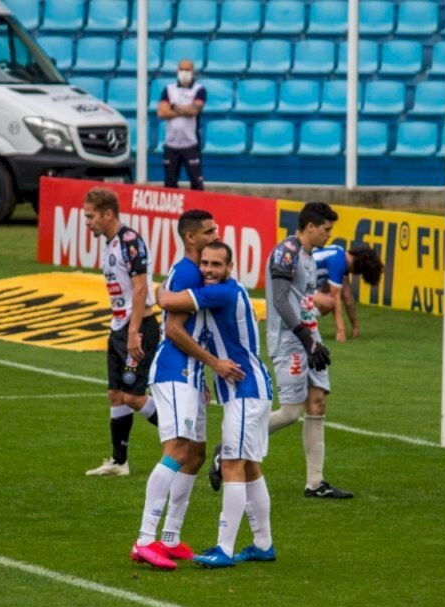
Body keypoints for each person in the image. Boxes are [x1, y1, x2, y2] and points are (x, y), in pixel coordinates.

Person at [213, 201, 351, 499]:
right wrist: (305, 337)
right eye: (326, 229)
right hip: (291, 341)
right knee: (290, 413)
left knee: (317, 404)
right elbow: (280, 300)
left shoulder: (309, 255)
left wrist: (314, 337)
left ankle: (315, 484)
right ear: (310, 226)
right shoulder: (285, 253)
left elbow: (303, 300)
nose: (329, 235)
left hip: (309, 338)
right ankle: (227, 448)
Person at [130, 211, 244, 570]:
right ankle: (145, 539)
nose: (216, 232)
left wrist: (203, 375)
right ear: (191, 237)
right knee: (178, 448)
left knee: (194, 454)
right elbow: (176, 330)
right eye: (209, 230)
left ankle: (170, 538)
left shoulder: (199, 271)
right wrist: (213, 363)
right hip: (175, 369)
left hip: (191, 373)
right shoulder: (190, 270)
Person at [158, 241, 276, 568]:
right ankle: (263, 543)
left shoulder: (222, 293)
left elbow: (167, 301)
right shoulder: (228, 291)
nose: (208, 270)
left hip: (245, 390)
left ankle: (224, 549)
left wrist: (157, 285)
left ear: (230, 267)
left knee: (231, 466)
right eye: (205, 264)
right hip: (248, 390)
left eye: (216, 265)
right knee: (250, 466)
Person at [82, 187, 160, 477]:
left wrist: (133, 332)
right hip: (119, 327)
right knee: (116, 394)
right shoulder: (111, 242)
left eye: (91, 217)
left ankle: (183, 438)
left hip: (138, 328)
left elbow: (141, 288)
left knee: (133, 396)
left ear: (108, 214)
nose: (87, 222)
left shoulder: (130, 241)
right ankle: (119, 462)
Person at [311, 244, 385, 342]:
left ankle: (303, 320)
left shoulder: (341, 253)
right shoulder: (339, 262)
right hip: (295, 288)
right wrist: (341, 331)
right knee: (330, 301)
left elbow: (347, 296)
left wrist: (355, 326)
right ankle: (301, 322)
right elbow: (336, 298)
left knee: (329, 293)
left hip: (300, 287)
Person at [158, 59, 206, 190]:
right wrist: (183, 110)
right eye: (182, 69)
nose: (184, 72)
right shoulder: (168, 89)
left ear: (193, 72)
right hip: (171, 144)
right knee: (170, 183)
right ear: (177, 71)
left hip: (190, 144)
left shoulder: (199, 90)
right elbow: (161, 112)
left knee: (196, 183)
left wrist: (173, 107)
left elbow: (194, 110)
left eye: (188, 69)